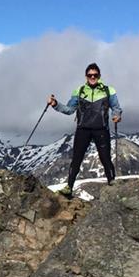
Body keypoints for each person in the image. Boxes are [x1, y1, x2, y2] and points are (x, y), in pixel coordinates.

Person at [47, 63, 122, 198]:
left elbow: (116, 107)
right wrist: (55, 104)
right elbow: (69, 109)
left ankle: (112, 183)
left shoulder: (108, 90)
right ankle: (69, 187)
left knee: (105, 158)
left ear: (99, 76)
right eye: (90, 75)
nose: (92, 77)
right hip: (83, 129)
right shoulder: (79, 91)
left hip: (101, 129)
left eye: (95, 75)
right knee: (77, 158)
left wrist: (117, 115)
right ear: (86, 76)